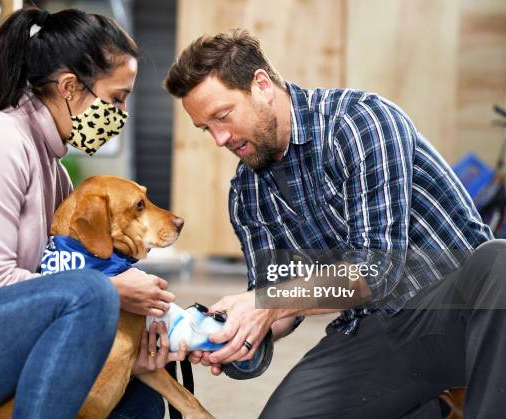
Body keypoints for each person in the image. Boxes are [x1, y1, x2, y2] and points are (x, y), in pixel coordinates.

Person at [164, 29, 505, 418]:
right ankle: (428, 410)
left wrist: (266, 305)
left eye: (223, 116)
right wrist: (230, 335)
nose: (219, 138)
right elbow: (281, 304)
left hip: (452, 312)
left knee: (498, 260)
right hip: (373, 332)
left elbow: (378, 269)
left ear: (261, 85)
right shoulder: (247, 194)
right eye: (205, 128)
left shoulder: (359, 122)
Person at [0, 8, 181, 419]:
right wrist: (114, 291)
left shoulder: (53, 169)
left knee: (137, 401)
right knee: (91, 291)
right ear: (68, 86)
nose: (120, 115)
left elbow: (46, 287)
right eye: (116, 99)